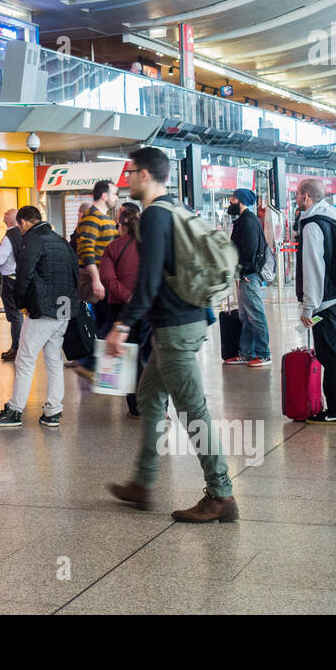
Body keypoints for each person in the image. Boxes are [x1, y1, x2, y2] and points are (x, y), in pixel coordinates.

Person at [105, 147, 238, 522]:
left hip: (176, 328)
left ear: (145, 175)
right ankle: (143, 483)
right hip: (185, 320)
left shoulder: (153, 217)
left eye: (131, 172)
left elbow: (147, 283)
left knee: (193, 409)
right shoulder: (176, 209)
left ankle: (221, 495)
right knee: (149, 396)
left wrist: (122, 325)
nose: (127, 179)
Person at [0, 205, 80, 428]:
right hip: (64, 307)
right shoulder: (61, 240)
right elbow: (75, 273)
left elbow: (24, 275)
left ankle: (15, 410)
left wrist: (22, 304)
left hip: (44, 308)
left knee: (25, 358)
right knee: (54, 359)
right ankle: (53, 411)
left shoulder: (33, 241)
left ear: (24, 223)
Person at [294, 178, 336, 425]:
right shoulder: (334, 219)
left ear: (307, 197)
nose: (296, 198)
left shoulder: (312, 225)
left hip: (325, 302)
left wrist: (308, 306)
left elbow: (313, 267)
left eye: (298, 194)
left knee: (331, 357)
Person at [99, 202, 142, 417]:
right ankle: (157, 405)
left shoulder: (113, 247)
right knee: (150, 356)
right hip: (149, 308)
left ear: (120, 226)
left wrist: (127, 296)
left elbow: (107, 279)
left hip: (121, 310)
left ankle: (135, 406)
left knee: (127, 356)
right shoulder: (150, 246)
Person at [74, 181, 119, 381]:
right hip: (101, 279)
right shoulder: (91, 219)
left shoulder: (104, 218)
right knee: (110, 321)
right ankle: (91, 363)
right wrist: (96, 280)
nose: (116, 198)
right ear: (104, 196)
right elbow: (87, 251)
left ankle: (98, 367)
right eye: (115, 193)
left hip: (107, 277)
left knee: (104, 322)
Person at [225, 188, 271, 368]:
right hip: (244, 275)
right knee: (247, 316)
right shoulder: (243, 220)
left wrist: (243, 271)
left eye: (233, 198)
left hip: (249, 276)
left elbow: (250, 250)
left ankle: (264, 354)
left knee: (256, 315)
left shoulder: (248, 221)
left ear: (241, 200)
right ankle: (246, 353)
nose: (230, 200)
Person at [0, 208, 24, 361]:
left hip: (9, 280)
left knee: (14, 315)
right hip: (19, 278)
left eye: (6, 214)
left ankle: (16, 347)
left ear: (11, 220)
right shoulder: (22, 234)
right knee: (18, 314)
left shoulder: (9, 237)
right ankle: (18, 346)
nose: (3, 215)